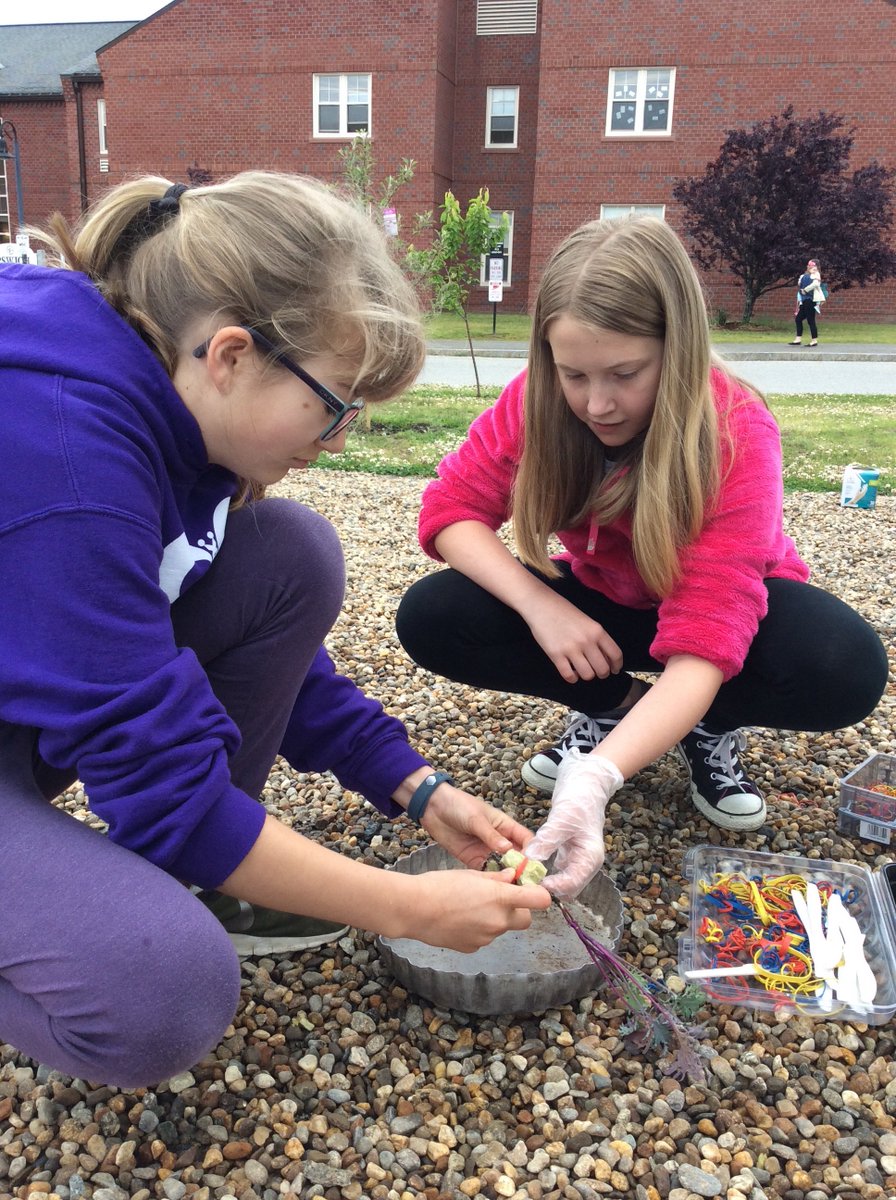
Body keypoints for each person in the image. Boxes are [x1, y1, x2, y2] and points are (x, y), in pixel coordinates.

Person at [0, 172, 550, 1088]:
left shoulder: (157, 399)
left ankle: (206, 873)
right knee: (160, 992)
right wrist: (404, 907)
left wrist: (415, 788)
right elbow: (162, 794)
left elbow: (205, 645)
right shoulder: (69, 457)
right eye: (334, 403)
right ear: (230, 356)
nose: (337, 439)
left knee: (290, 552)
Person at [396, 217, 887, 899]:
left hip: (733, 617)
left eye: (625, 374)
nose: (598, 403)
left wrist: (597, 777)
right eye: (574, 375)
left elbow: (710, 633)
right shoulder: (536, 404)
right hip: (610, 601)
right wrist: (543, 608)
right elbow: (449, 512)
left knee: (845, 664)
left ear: (677, 349)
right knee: (434, 612)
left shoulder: (735, 426)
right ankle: (616, 706)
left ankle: (705, 724)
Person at [789, 258, 825, 346]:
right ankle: (798, 339)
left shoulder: (816, 275)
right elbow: (799, 284)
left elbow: (816, 284)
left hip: (811, 300)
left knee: (811, 320)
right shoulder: (804, 275)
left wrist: (805, 290)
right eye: (809, 265)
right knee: (798, 319)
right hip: (804, 300)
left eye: (812, 265)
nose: (809, 267)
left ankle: (814, 340)